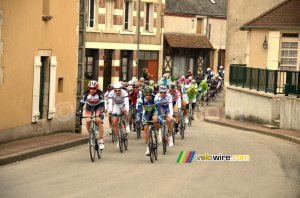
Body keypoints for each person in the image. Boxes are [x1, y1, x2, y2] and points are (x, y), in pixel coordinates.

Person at [79, 80, 105, 149]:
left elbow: (102, 104)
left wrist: (102, 111)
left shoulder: (100, 93)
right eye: (90, 88)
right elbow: (81, 103)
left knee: (98, 120)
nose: (92, 90)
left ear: (97, 89)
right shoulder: (86, 93)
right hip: (89, 107)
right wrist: (80, 111)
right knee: (88, 121)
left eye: (94, 89)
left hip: (98, 106)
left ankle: (101, 141)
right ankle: (91, 136)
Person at [137, 87, 161, 156]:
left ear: (152, 94)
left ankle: (157, 133)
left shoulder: (155, 98)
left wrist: (158, 116)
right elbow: (139, 110)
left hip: (153, 111)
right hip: (146, 113)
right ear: (144, 94)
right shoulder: (140, 99)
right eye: (146, 95)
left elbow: (158, 107)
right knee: (145, 128)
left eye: (149, 95)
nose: (148, 96)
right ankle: (147, 147)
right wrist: (139, 118)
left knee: (155, 119)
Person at [108, 82, 130, 148]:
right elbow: (110, 103)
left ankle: (127, 124)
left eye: (119, 90)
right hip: (116, 105)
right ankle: (118, 139)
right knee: (114, 122)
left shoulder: (124, 93)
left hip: (123, 104)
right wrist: (110, 111)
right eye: (116, 90)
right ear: (114, 90)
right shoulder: (111, 93)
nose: (117, 92)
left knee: (125, 112)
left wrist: (126, 110)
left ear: (121, 89)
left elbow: (126, 102)